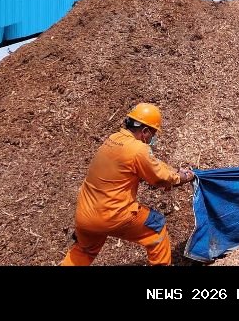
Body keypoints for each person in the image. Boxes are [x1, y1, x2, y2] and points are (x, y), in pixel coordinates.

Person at [61, 103, 195, 266]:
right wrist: (182, 177)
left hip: (85, 215)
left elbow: (152, 164)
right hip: (112, 214)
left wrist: (173, 170)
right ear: (145, 132)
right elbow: (160, 178)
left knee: (84, 250)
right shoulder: (138, 149)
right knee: (156, 226)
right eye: (153, 133)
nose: (153, 137)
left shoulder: (113, 139)